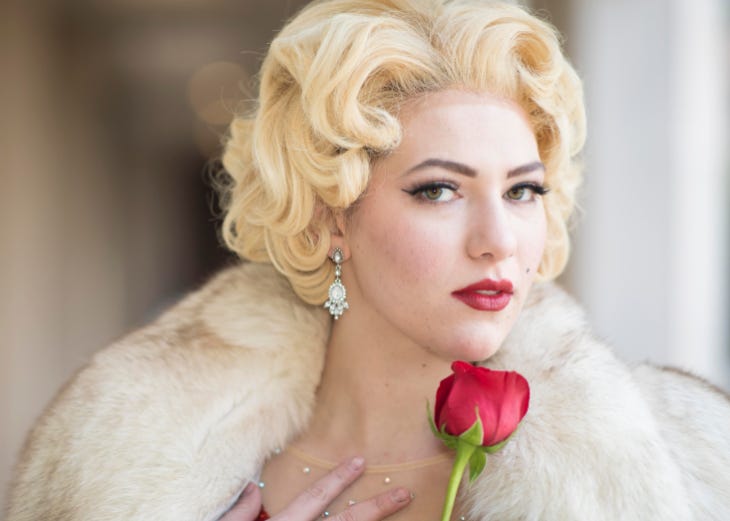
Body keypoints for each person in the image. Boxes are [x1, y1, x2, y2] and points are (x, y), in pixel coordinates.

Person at [5, 1, 730, 520]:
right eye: (439, 189)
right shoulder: (123, 471)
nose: (498, 239)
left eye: (522, 190)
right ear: (328, 217)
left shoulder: (691, 466)